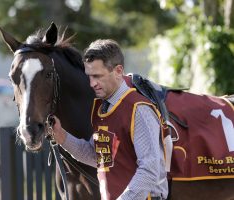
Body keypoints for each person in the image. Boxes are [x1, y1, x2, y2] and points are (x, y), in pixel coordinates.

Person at [52, 39, 168, 200]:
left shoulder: (139, 109)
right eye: (89, 77)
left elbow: (150, 170)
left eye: (98, 76)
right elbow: (97, 157)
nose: (92, 84)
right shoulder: (101, 109)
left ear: (118, 71)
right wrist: (62, 137)